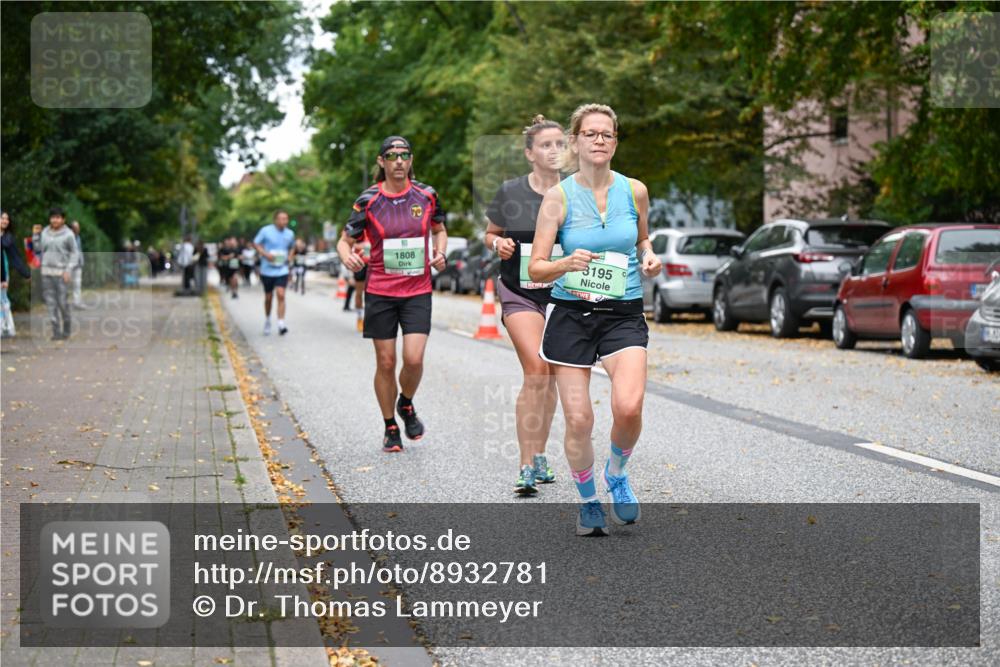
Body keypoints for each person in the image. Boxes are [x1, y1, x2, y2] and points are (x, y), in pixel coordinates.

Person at [528, 104, 662, 536]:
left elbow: (642, 239)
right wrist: (566, 263)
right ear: (575, 142)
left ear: (615, 142)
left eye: (607, 134)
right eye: (591, 134)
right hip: (572, 314)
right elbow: (536, 268)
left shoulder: (635, 190)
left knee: (629, 405)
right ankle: (587, 500)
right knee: (580, 419)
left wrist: (648, 255)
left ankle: (617, 474)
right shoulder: (558, 197)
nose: (599, 140)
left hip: (622, 311)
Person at [337, 135, 447, 452]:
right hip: (381, 290)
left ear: (411, 160)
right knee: (386, 362)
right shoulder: (368, 199)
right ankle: (390, 426)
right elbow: (344, 240)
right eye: (392, 155)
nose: (399, 161)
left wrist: (440, 254)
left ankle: (407, 403)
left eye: (404, 155)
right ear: (381, 161)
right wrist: (347, 256)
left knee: (413, 358)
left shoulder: (427, 195)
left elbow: (439, 230)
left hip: (417, 289)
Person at [483, 114, 566, 495]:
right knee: (535, 368)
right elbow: (491, 234)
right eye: (546, 145)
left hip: (563, 294)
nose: (554, 151)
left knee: (548, 374)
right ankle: (525, 463)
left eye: (559, 144)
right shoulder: (510, 192)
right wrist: (497, 244)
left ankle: (541, 453)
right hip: (520, 289)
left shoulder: (577, 193)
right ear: (529, 153)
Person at [34, 207, 81, 340]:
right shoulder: (44, 232)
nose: (55, 220)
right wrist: (36, 236)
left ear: (63, 219)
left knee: (62, 303)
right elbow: (38, 249)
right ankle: (56, 332)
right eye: (53, 217)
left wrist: (68, 270)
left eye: (58, 217)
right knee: (50, 303)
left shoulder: (68, 234)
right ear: (50, 219)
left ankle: (66, 329)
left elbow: (75, 254)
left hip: (62, 274)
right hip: (46, 273)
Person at [254, 210, 296, 335]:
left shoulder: (290, 233)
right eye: (282, 219)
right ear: (275, 220)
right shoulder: (265, 231)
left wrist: (290, 256)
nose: (284, 221)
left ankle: (281, 324)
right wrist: (266, 254)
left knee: (281, 294)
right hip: (267, 269)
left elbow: (293, 247)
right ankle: (267, 320)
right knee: (268, 297)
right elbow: (256, 243)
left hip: (282, 269)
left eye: (286, 219)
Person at [2, 210, 32, 338]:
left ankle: (7, 327)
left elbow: (15, 258)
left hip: (2, 273)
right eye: (2, 218)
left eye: (7, 219)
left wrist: (26, 273)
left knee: (2, 300)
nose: (5, 221)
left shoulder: (8, 239)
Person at [70, 221, 84, 307]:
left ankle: (77, 302)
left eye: (78, 227)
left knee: (77, 283)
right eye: (76, 227)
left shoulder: (78, 237)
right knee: (67, 284)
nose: (78, 229)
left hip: (78, 264)